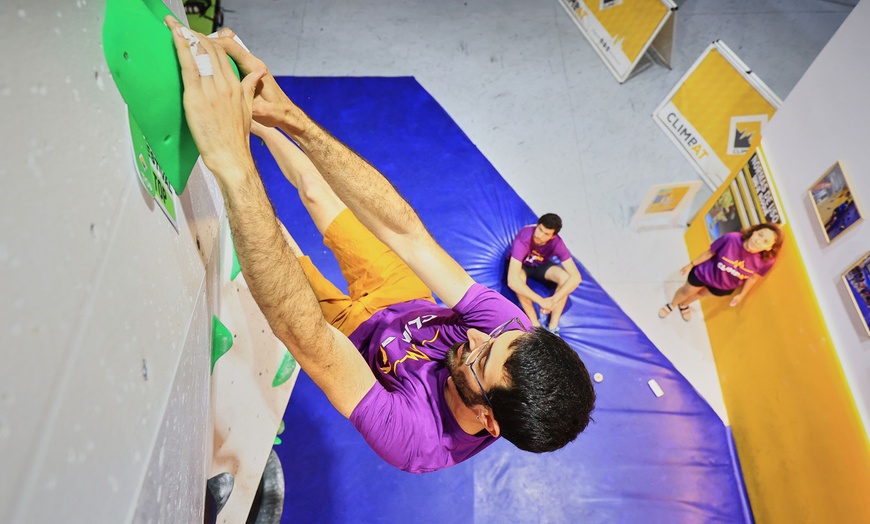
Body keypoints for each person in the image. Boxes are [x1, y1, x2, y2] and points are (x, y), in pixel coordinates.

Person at [165, 18, 595, 474]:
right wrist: (288, 118)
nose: (476, 333)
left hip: (346, 337)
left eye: (480, 356)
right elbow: (409, 235)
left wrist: (232, 163)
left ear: (488, 419)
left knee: (278, 245)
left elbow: (308, 338)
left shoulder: (417, 441)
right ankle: (257, 120)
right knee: (314, 192)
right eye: (496, 336)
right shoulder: (506, 334)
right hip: (401, 297)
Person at [659, 223, 783, 321]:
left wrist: (741, 295)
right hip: (704, 273)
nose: (758, 241)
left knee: (700, 294)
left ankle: (684, 305)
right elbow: (710, 252)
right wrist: (691, 264)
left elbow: (753, 278)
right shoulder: (731, 238)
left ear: (769, 247)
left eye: (766, 242)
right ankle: (673, 304)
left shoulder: (766, 261)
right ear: (754, 231)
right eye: (760, 235)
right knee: (687, 290)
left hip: (724, 286)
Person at [506, 214, 582, 334]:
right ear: (537, 225)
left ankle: (553, 327)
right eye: (540, 229)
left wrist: (553, 300)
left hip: (539, 264)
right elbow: (512, 281)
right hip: (522, 265)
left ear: (553, 236)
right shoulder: (524, 238)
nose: (539, 235)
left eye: (546, 234)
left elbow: (576, 277)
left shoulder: (557, 243)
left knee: (565, 277)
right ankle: (535, 325)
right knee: (518, 279)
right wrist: (542, 301)